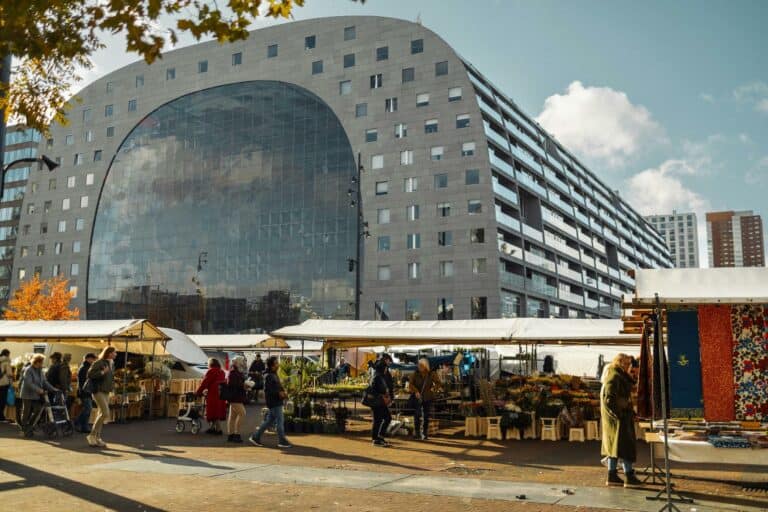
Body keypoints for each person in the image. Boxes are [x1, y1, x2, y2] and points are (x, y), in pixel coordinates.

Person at [601, 353, 641, 488]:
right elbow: (609, 399)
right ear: (621, 363)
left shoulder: (617, 375)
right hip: (619, 419)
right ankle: (629, 476)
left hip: (617, 418)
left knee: (615, 447)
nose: (630, 366)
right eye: (628, 363)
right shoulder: (615, 377)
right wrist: (619, 414)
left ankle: (612, 475)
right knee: (625, 447)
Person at [249, 355, 292, 448]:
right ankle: (282, 441)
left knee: (269, 421)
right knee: (280, 421)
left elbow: (276, 386)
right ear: (272, 365)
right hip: (275, 402)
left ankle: (255, 437)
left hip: (274, 401)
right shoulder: (269, 376)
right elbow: (269, 390)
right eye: (276, 363)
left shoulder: (272, 374)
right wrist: (280, 393)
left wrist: (282, 390)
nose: (278, 364)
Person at [19, 354, 57, 436]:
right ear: (36, 362)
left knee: (38, 409)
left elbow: (44, 382)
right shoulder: (28, 370)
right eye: (41, 362)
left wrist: (53, 389)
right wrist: (38, 390)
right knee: (26, 411)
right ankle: (24, 427)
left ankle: (30, 425)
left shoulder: (40, 371)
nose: (42, 364)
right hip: (27, 394)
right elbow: (28, 383)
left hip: (36, 395)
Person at [86, 346, 117, 448]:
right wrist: (103, 372)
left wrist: (112, 390)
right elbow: (90, 374)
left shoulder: (111, 363)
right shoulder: (99, 362)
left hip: (106, 391)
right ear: (108, 353)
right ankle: (92, 435)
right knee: (105, 413)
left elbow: (110, 379)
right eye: (114, 352)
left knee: (101, 414)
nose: (116, 354)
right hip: (98, 391)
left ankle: (97, 437)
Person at [408, 358, 441, 441]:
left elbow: (438, 383)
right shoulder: (415, 373)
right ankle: (417, 433)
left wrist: (433, 389)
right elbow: (411, 384)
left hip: (427, 397)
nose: (419, 366)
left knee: (426, 415)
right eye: (419, 365)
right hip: (418, 397)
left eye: (421, 365)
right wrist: (416, 391)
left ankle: (425, 433)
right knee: (417, 415)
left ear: (425, 366)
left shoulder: (431, 374)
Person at [196, 358, 227, 435]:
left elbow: (205, 383)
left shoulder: (211, 371)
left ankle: (219, 429)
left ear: (211, 364)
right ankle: (212, 428)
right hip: (221, 394)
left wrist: (198, 392)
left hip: (213, 394)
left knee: (214, 411)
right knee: (217, 411)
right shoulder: (222, 371)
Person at [225, 355, 247, 443]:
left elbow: (233, 384)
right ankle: (236, 434)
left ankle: (231, 435)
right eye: (242, 361)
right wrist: (243, 385)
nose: (243, 363)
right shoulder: (234, 372)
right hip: (235, 397)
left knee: (232, 417)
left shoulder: (235, 371)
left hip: (234, 397)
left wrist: (243, 385)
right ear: (238, 362)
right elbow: (233, 384)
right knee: (242, 414)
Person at [370, 359, 392, 447]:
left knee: (378, 420)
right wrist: (386, 392)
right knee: (387, 418)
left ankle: (377, 438)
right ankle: (378, 437)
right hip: (378, 402)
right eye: (386, 367)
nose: (386, 369)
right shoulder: (378, 377)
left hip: (378, 402)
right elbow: (381, 389)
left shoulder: (378, 375)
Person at [74, 353, 97, 433]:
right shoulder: (85, 368)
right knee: (88, 408)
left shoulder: (86, 367)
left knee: (87, 409)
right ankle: (77, 422)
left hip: (85, 391)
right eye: (93, 359)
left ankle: (84, 426)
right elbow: (84, 381)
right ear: (88, 359)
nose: (94, 361)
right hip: (85, 391)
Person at [0, 349, 12, 422]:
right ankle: (1, 416)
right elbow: (9, 373)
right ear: (7, 354)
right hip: (4, 383)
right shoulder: (6, 361)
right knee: (2, 400)